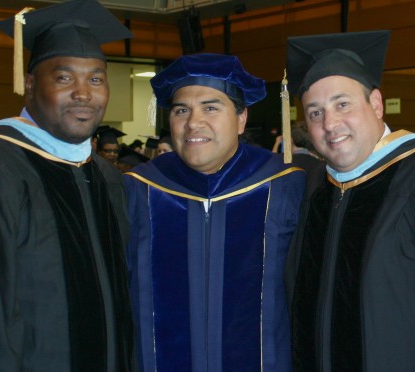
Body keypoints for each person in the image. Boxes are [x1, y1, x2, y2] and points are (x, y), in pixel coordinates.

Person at [0, 0, 135, 371]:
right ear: (30, 85)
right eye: (64, 77)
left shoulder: (106, 178)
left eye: (96, 78)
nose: (84, 93)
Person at [285, 31, 415, 371]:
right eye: (315, 113)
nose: (330, 124)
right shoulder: (313, 188)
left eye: (343, 104)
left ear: (376, 104)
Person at [124, 53, 305, 372]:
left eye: (210, 107)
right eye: (182, 110)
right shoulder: (139, 189)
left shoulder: (285, 186)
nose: (194, 122)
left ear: (241, 118)